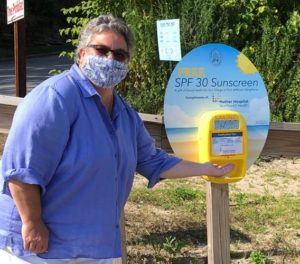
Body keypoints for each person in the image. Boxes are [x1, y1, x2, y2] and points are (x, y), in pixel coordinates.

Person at [0, 15, 234, 263]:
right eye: (101, 50)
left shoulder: (124, 114)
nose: (110, 59)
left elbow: (154, 161)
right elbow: (21, 171)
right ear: (81, 54)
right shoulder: (54, 98)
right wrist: (32, 223)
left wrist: (207, 168)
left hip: (89, 247)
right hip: (38, 248)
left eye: (119, 55)